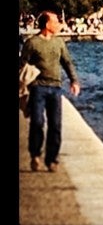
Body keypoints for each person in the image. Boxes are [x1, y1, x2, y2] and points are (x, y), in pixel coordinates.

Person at [19, 10, 80, 172]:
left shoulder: (59, 43)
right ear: (47, 24)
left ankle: (52, 159)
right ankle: (35, 155)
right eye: (56, 21)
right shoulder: (32, 43)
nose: (59, 24)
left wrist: (74, 80)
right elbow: (21, 65)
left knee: (55, 125)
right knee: (37, 122)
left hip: (55, 88)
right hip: (37, 87)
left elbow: (67, 63)